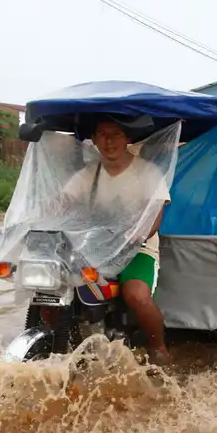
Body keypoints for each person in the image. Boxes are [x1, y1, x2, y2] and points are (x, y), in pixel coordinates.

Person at [57, 118, 172, 366]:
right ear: (95, 140)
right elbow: (63, 201)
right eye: (102, 134)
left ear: (128, 139)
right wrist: (35, 217)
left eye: (116, 134)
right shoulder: (89, 174)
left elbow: (157, 212)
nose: (109, 141)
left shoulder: (147, 172)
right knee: (54, 287)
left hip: (138, 249)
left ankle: (158, 349)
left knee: (137, 295)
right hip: (94, 247)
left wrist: (139, 234)